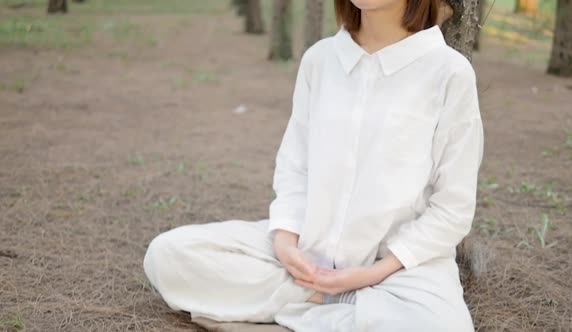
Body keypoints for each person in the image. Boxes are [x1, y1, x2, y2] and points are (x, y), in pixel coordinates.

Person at [143, 0, 484, 331]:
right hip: (308, 254)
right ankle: (332, 303)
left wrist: (373, 274)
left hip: (399, 270)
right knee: (167, 256)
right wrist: (286, 243)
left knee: (442, 326)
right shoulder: (320, 60)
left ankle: (305, 305)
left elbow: (452, 206)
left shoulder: (449, 73)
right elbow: (295, 167)